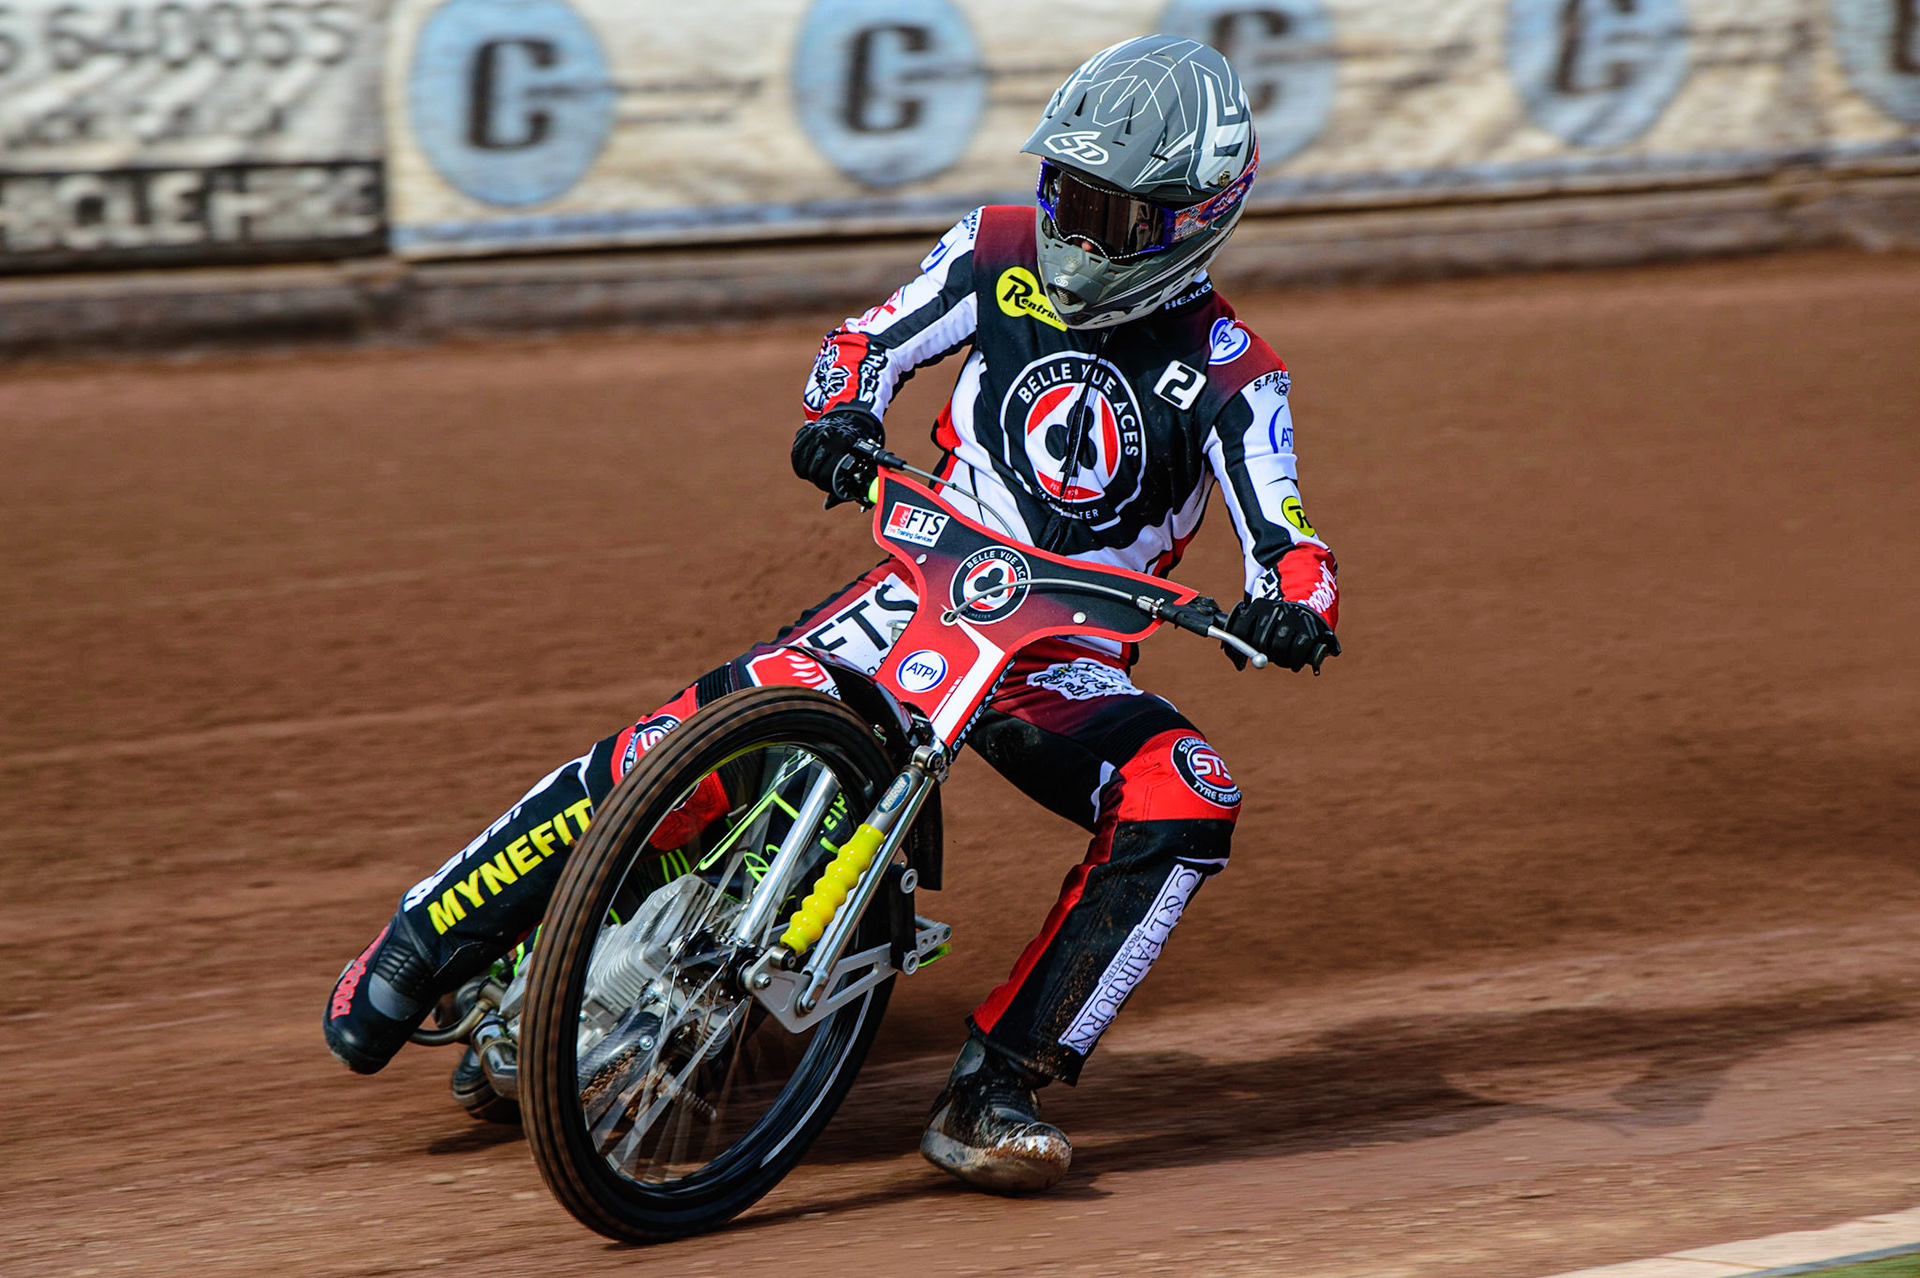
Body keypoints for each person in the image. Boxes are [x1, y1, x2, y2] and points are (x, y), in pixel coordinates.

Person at [324, 34, 1340, 1195]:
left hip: (1062, 661)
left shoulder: (1231, 370)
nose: (1074, 229)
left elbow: (1291, 540)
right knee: (692, 739)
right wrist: (840, 414)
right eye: (1067, 191)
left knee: (1189, 792)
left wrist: (1291, 610)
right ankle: (425, 936)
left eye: (1111, 213)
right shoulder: (995, 247)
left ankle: (997, 1083)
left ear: (1192, 220)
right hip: (919, 582)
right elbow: (865, 342)